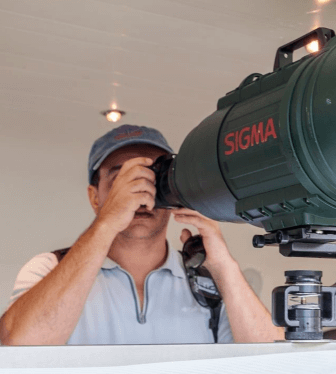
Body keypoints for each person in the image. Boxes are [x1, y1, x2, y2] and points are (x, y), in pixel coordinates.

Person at [0, 125, 284, 345]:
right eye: (121, 180)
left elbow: (271, 365)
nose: (141, 192)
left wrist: (225, 268)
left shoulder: (208, 283)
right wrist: (107, 223)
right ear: (95, 197)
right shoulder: (50, 268)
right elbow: (17, 347)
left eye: (153, 178)